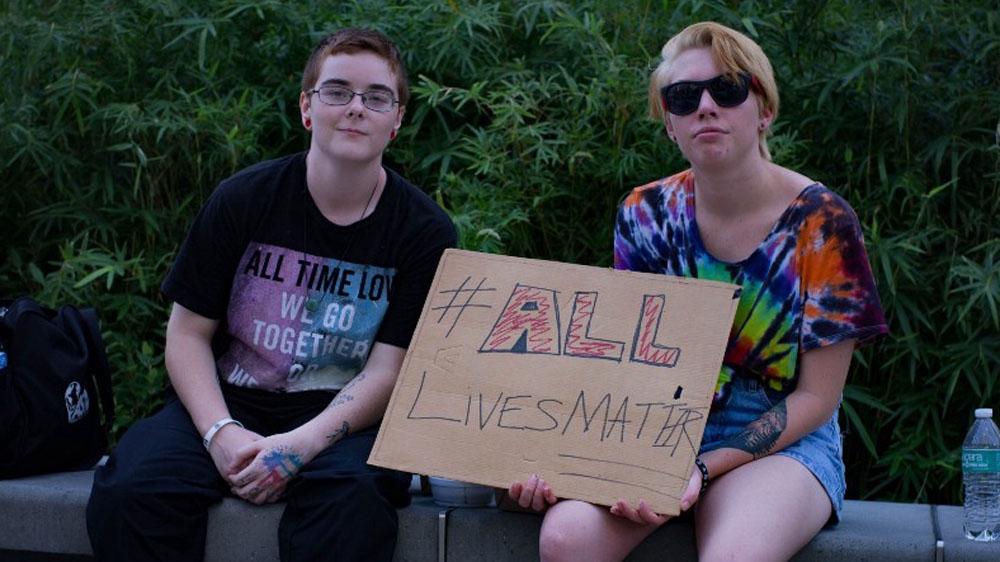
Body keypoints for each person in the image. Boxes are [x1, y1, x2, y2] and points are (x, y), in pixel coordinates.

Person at [507, 21, 888, 562]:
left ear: (764, 109)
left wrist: (700, 468)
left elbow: (816, 399)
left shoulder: (822, 222)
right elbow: (627, 368)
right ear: (670, 123)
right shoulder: (644, 214)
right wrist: (551, 459)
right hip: (657, 429)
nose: (705, 107)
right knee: (566, 538)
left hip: (781, 440)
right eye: (684, 97)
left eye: (727, 89)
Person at [87, 28, 457, 562]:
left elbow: (388, 370)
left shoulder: (425, 231)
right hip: (228, 401)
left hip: (344, 423)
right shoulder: (242, 199)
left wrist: (301, 445)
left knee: (353, 503)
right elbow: (187, 335)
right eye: (337, 91)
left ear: (396, 120)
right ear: (307, 107)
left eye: (377, 97)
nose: (356, 107)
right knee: (131, 489)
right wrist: (220, 434)